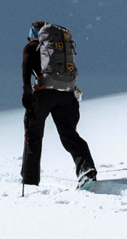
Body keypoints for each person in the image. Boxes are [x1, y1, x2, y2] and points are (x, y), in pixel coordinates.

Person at [21, 21, 97, 190]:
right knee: (69, 134)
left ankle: (30, 181)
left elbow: (26, 66)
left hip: (43, 95)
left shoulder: (31, 47)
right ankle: (86, 169)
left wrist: (26, 91)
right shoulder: (60, 47)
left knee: (33, 137)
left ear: (33, 35)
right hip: (67, 95)